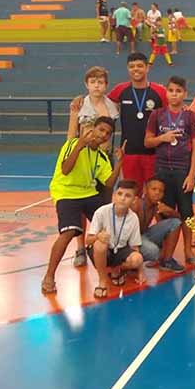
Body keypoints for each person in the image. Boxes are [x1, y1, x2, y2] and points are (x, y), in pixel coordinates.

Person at [41, 116, 123, 295]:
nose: (103, 135)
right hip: (66, 192)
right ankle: (49, 276)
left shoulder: (101, 156)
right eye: (101, 130)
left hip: (88, 193)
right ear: (92, 129)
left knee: (110, 225)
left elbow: (108, 183)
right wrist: (80, 146)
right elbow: (65, 169)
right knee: (69, 232)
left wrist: (119, 163)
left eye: (108, 134)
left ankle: (111, 268)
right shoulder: (73, 144)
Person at [144, 76, 195, 268]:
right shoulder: (157, 115)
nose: (174, 94)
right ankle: (163, 253)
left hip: (182, 170)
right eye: (171, 90)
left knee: (186, 213)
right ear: (166, 93)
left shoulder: (191, 116)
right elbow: (148, 142)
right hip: (162, 170)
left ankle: (187, 250)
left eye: (178, 91)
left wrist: (192, 174)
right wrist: (163, 137)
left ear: (185, 94)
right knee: (163, 212)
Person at [66, 66, 120, 267]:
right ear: (86, 84)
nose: (97, 85)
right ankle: (80, 247)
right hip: (84, 161)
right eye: (93, 82)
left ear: (106, 85)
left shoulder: (113, 106)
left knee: (104, 206)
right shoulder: (79, 105)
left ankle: (100, 245)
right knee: (81, 206)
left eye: (101, 82)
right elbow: (72, 135)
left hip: (104, 161)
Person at [105, 52, 168, 194]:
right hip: (129, 153)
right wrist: (80, 100)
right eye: (132, 66)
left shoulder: (160, 91)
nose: (136, 69)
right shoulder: (120, 90)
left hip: (154, 153)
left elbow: (173, 112)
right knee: (132, 195)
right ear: (128, 69)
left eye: (140, 66)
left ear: (147, 68)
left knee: (155, 196)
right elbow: (100, 102)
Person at [86, 180, 145, 297]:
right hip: (103, 251)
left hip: (120, 251)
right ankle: (102, 281)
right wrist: (98, 236)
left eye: (128, 196)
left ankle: (115, 269)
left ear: (134, 200)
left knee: (137, 259)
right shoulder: (102, 212)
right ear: (114, 196)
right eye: (119, 194)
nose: (122, 198)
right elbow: (88, 240)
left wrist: (141, 271)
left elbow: (135, 246)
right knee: (100, 244)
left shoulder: (133, 218)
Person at [132, 177, 184, 271]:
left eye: (161, 191)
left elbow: (166, 227)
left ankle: (167, 261)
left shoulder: (156, 206)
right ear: (145, 190)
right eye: (154, 189)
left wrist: (171, 211)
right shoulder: (136, 204)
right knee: (153, 251)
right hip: (131, 240)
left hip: (142, 236)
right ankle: (129, 263)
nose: (157, 193)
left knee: (175, 222)